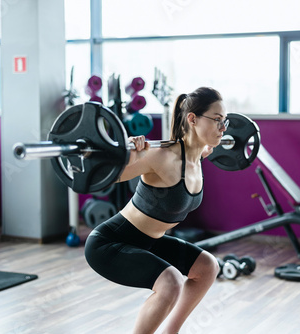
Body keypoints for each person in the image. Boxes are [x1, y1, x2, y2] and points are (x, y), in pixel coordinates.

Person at [85, 87, 229, 333]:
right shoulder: (161, 156)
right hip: (110, 244)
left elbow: (201, 148)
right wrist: (126, 155)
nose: (223, 128)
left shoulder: (198, 155)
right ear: (192, 119)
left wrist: (205, 144)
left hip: (149, 242)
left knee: (207, 266)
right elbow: (99, 177)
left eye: (224, 121)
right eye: (217, 120)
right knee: (170, 281)